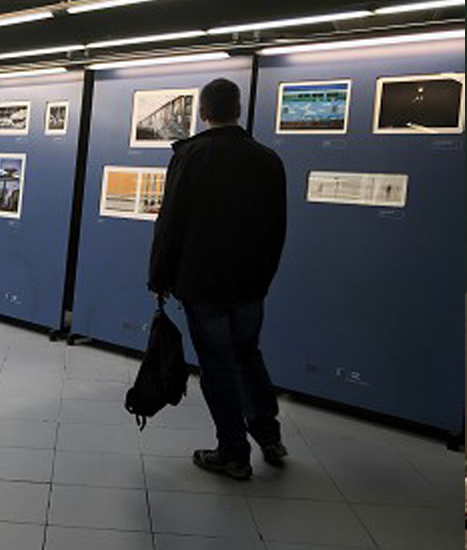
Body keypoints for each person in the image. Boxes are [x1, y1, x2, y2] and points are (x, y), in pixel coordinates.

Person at [148, 78, 288, 481]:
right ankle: (269, 435)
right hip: (250, 283)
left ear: (204, 112)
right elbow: (277, 227)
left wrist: (159, 275)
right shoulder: (268, 159)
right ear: (238, 109)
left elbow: (171, 222)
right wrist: (265, 275)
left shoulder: (191, 156)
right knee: (248, 354)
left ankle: (232, 452)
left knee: (217, 366)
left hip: (203, 282)